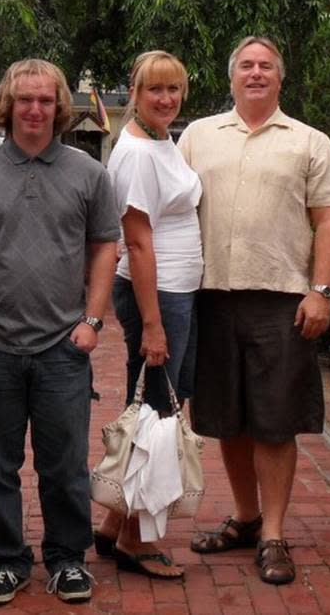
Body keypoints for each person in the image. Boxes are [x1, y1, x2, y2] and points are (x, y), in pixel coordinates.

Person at [178, 36, 330, 585]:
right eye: (246, 66)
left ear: (281, 78)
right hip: (211, 297)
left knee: (275, 422)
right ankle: (246, 518)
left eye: (266, 67)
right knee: (226, 418)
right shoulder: (198, 137)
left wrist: (321, 291)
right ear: (231, 78)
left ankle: (274, 533)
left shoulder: (310, 142)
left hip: (282, 299)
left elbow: (329, 221)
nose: (256, 74)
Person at [0, 59, 119, 606]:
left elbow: (104, 248)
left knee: (64, 463)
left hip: (61, 345)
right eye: (24, 99)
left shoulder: (88, 173)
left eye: (45, 100)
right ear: (8, 105)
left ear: (59, 105)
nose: (35, 109)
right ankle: (6, 560)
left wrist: (92, 321)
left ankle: (68, 559)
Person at [93, 50, 203, 580]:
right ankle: (138, 540)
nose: (166, 98)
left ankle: (114, 524)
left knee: (154, 411)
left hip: (177, 291)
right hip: (157, 297)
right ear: (134, 93)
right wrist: (154, 324)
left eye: (174, 89)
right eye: (155, 89)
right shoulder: (137, 153)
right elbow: (136, 244)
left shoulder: (161, 140)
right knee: (158, 419)